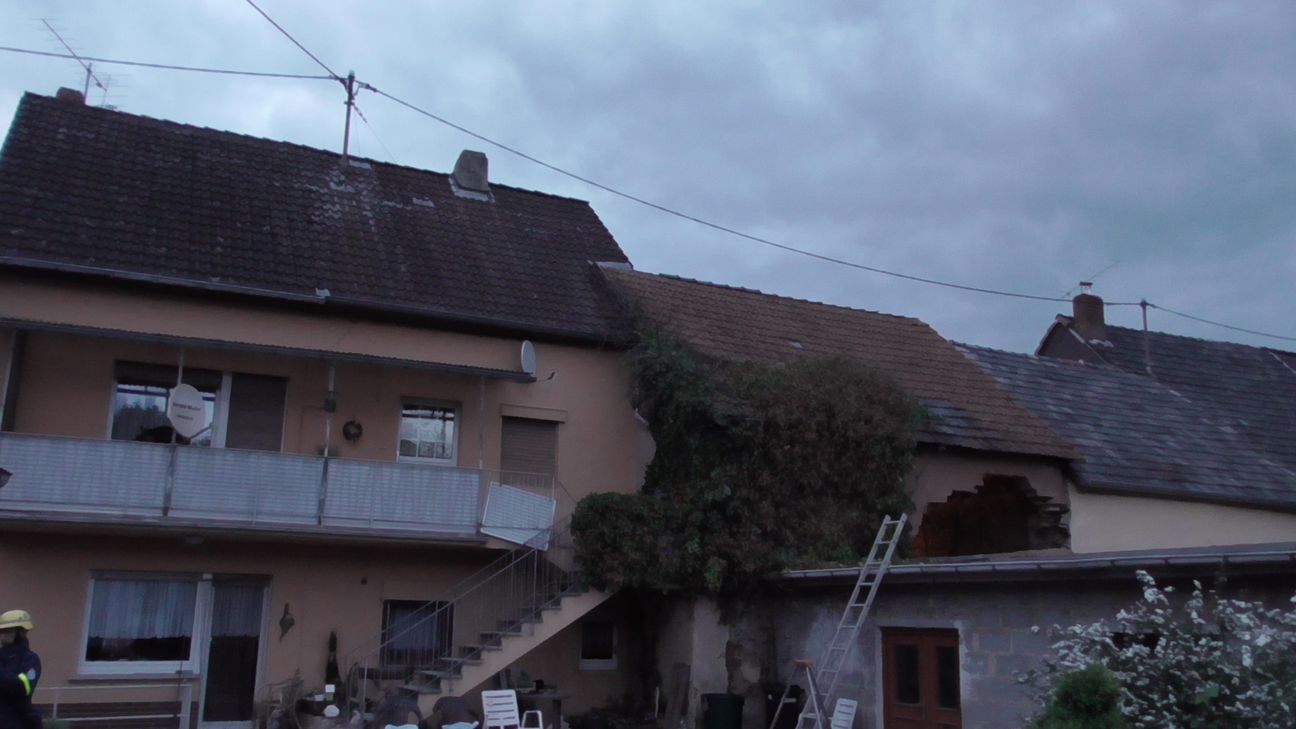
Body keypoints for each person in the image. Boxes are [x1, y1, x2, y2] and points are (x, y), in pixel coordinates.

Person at [0, 610, 41, 729]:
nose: (1, 634)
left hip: (17, 721)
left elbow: (23, 687)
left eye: (6, 630)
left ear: (21, 632)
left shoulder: (30, 660)